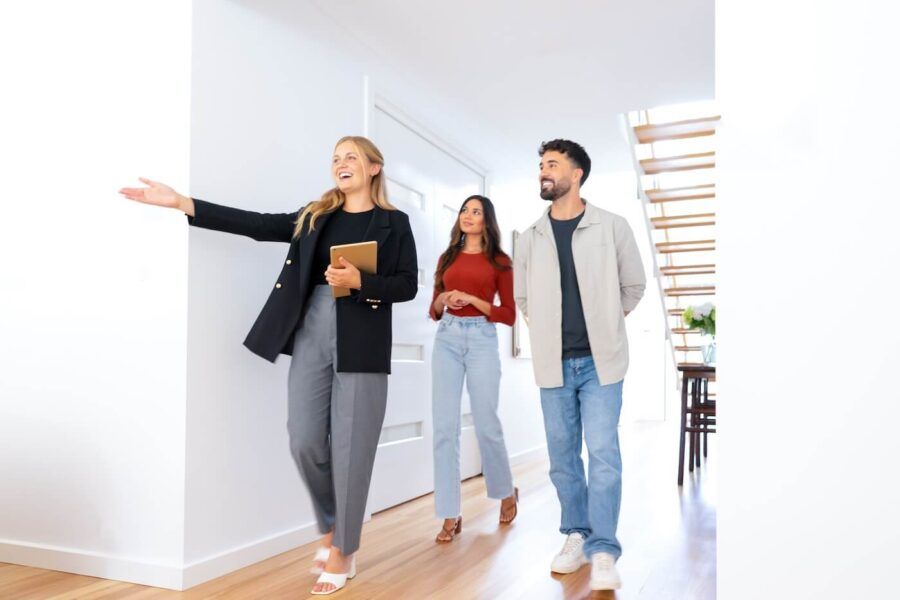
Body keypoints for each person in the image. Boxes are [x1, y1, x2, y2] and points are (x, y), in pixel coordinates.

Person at [118, 136, 418, 595]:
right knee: (303, 438)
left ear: (374, 168)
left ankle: (343, 549)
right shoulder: (317, 214)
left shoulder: (394, 223)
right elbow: (256, 224)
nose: (341, 164)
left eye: (351, 157)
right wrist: (182, 202)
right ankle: (334, 524)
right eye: (335, 157)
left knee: (353, 448)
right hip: (313, 327)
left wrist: (362, 281)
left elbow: (407, 285)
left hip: (362, 335)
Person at [513, 139, 646, 591]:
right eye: (541, 166)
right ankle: (576, 533)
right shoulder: (531, 236)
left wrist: (607, 323)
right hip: (553, 364)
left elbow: (634, 285)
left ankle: (604, 547)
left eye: (552, 165)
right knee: (563, 457)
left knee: (604, 453)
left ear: (577, 174)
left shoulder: (612, 226)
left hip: (601, 363)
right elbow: (523, 298)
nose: (543, 172)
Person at [428, 194, 519, 543]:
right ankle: (450, 513)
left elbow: (508, 314)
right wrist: (444, 299)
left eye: (476, 211)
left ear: (487, 220)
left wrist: (475, 300)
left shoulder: (500, 261)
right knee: (444, 428)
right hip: (447, 337)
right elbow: (434, 308)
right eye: (465, 210)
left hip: (482, 338)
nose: (468, 215)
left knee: (486, 424)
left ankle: (505, 490)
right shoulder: (447, 258)